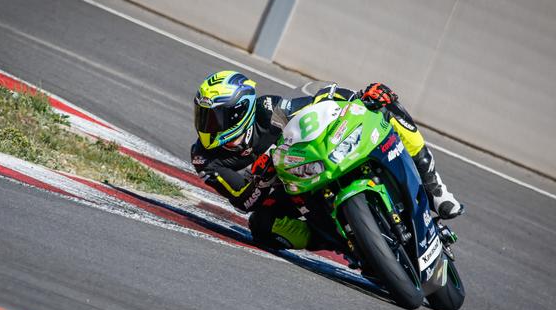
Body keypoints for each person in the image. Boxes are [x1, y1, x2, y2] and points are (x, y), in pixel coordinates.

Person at [191, 70, 463, 250]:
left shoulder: (268, 110)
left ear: (238, 113)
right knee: (262, 227)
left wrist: (359, 98)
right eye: (203, 116)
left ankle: (435, 187)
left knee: (385, 107)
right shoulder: (204, 159)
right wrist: (262, 180)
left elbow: (318, 102)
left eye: (214, 118)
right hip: (287, 192)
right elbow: (243, 201)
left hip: (314, 162)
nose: (206, 125)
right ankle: (344, 243)